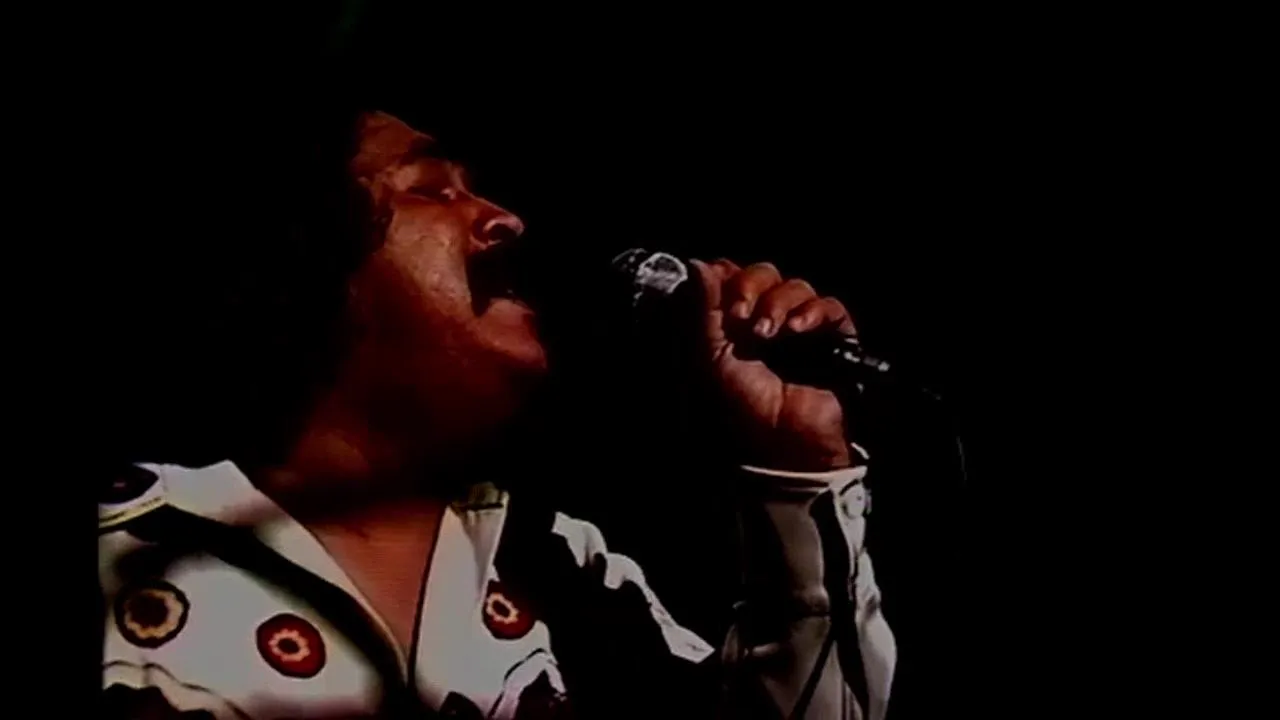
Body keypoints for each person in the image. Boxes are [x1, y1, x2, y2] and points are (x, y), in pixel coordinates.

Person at [98, 105, 896, 719]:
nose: (504, 219)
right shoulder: (122, 554)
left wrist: (799, 463)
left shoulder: (566, 571)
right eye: (432, 189)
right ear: (296, 257)